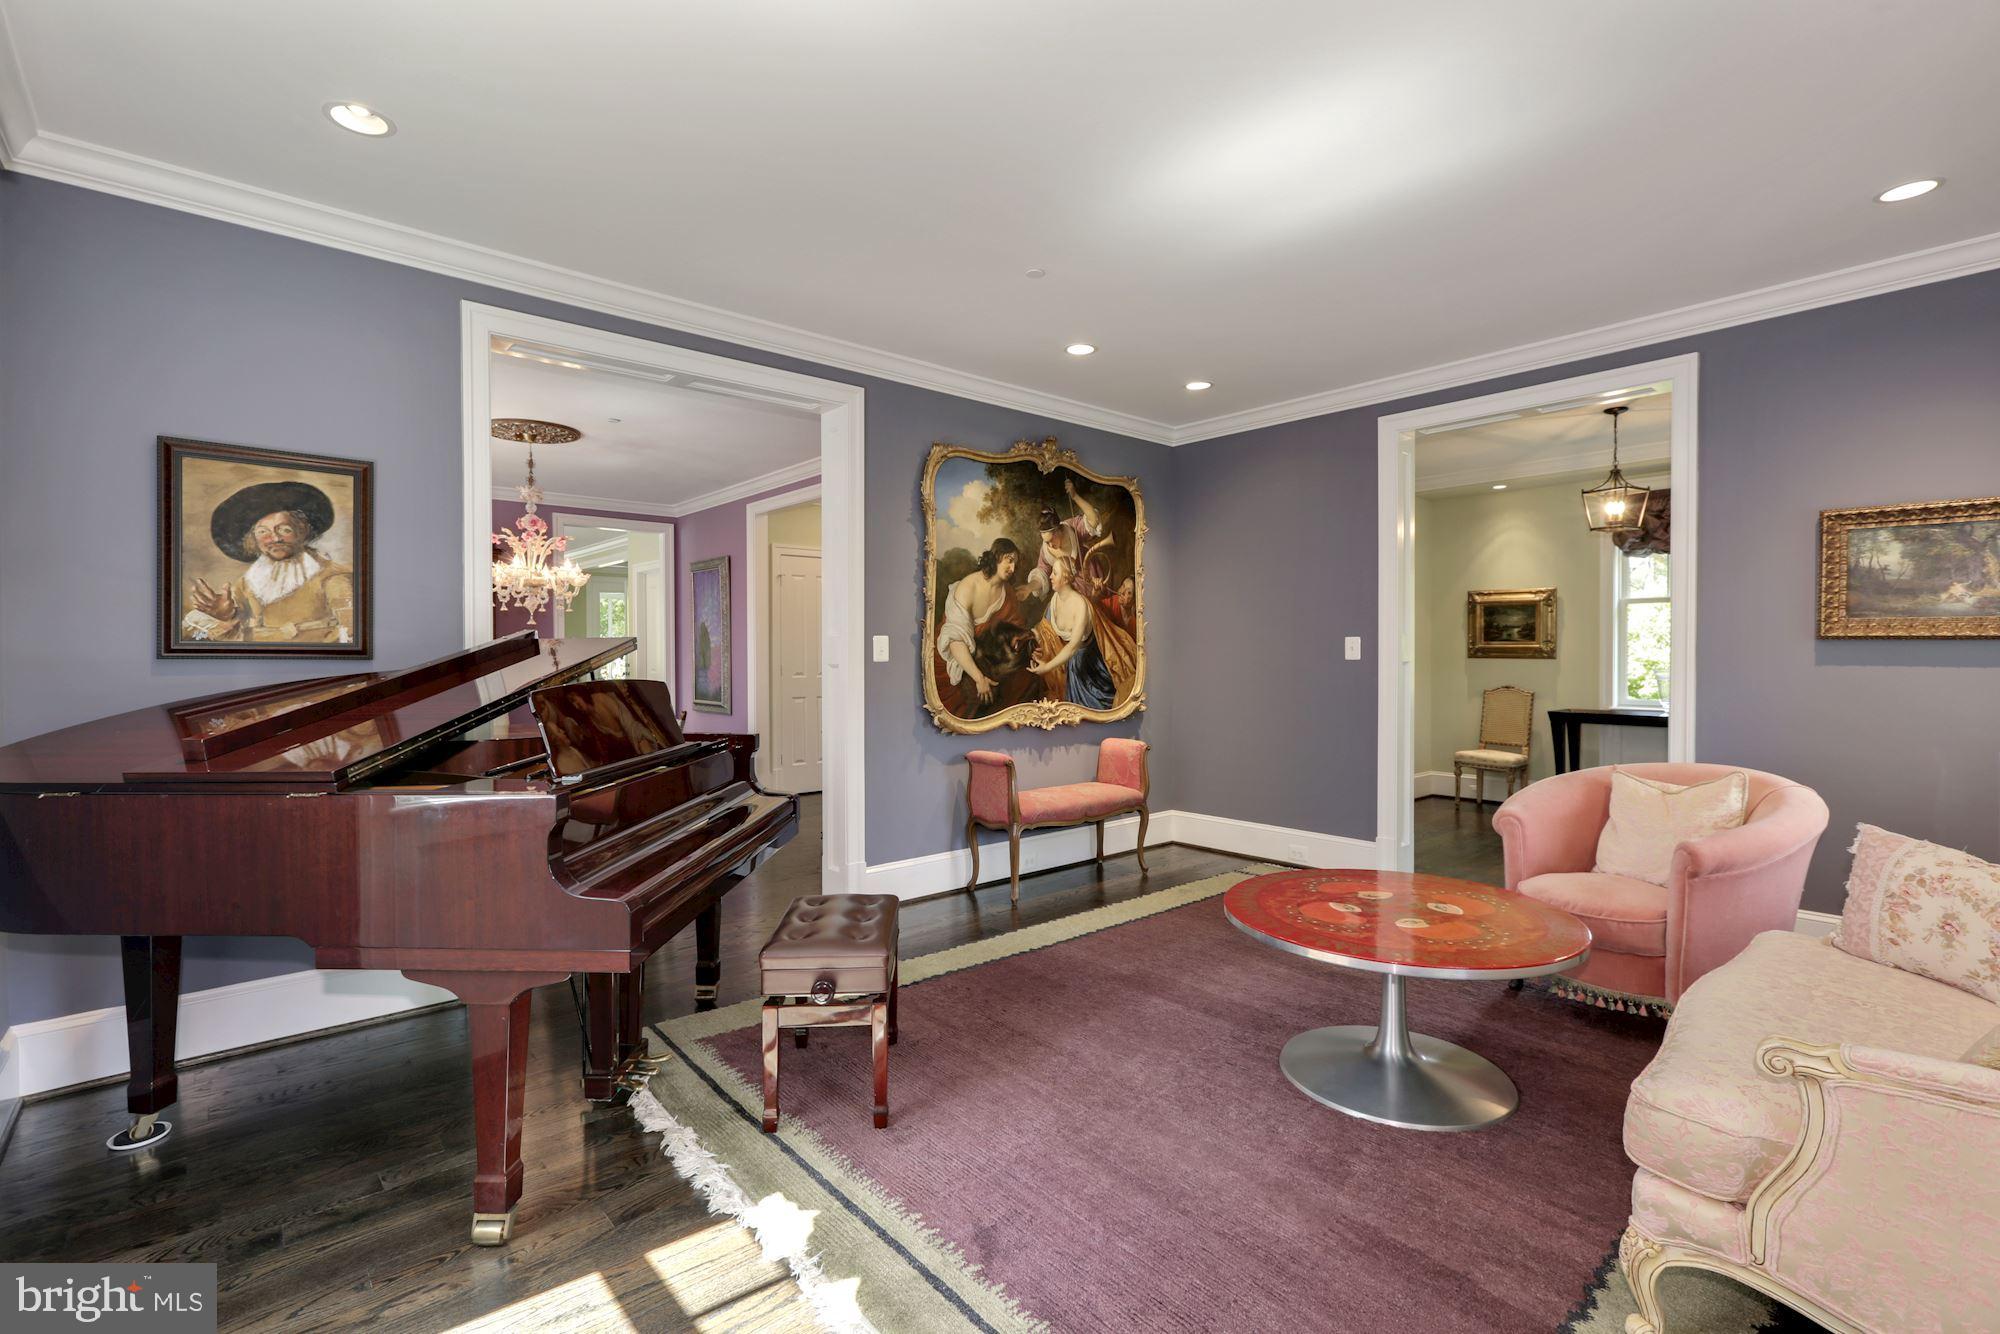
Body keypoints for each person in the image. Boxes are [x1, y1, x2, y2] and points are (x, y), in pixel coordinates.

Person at [183, 481, 355, 644]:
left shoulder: (333, 577)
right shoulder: (247, 583)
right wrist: (223, 616)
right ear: (254, 539)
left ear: (302, 531)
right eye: (263, 531)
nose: (275, 538)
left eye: (284, 529)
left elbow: (351, 637)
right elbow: (206, 636)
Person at [934, 538, 1043, 716]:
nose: (1013, 568)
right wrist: (979, 678)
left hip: (989, 658)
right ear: (997, 556)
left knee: (1028, 678)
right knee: (978, 701)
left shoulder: (1006, 592)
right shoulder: (968, 587)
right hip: (960, 657)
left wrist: (1031, 646)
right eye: (1009, 560)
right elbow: (955, 642)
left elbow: (1016, 630)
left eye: (1015, 563)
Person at [1028, 556, 1137, 710]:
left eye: (1055, 573)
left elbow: (1073, 646)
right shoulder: (1054, 601)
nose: (1050, 576)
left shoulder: (1080, 605)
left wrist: (1047, 667)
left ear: (1065, 578)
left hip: (1091, 667)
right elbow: (1045, 630)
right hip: (1073, 664)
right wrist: (1037, 646)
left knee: (1096, 708)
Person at [1026, 477, 1113, 601]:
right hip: (1069, 592)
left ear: (1058, 529)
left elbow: (1093, 520)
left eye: (1051, 539)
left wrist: (1075, 496)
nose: (1049, 545)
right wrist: (1029, 588)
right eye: (1046, 541)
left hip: (1091, 579)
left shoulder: (1073, 527)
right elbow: (1042, 573)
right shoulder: (1046, 551)